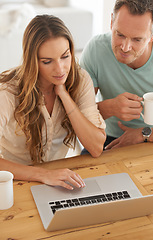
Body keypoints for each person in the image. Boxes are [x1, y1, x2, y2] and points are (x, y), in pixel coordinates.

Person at [0, 15, 106, 190]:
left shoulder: (80, 80)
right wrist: (43, 175)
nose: (60, 69)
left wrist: (64, 95)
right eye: (47, 61)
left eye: (65, 56)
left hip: (60, 181)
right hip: (15, 182)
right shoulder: (7, 91)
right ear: (32, 61)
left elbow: (96, 148)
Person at [80, 0, 153, 150]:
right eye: (120, 34)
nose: (125, 47)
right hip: (109, 139)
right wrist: (109, 108)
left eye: (137, 39)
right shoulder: (96, 50)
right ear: (111, 22)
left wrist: (144, 134)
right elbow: (77, 117)